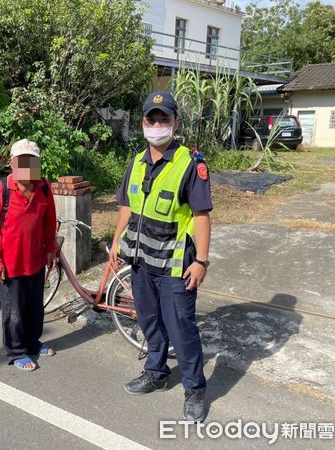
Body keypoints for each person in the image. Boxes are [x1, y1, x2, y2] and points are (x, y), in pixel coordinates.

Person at [109, 92, 212, 422]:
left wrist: (202, 261)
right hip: (140, 263)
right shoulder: (137, 162)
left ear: (175, 123)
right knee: (150, 322)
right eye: (151, 120)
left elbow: (201, 215)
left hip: (175, 266)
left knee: (181, 327)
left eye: (163, 119)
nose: (157, 125)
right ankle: (156, 373)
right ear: (142, 123)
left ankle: (195, 387)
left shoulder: (190, 164)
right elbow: (127, 206)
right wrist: (116, 245)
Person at [0, 139, 58, 371]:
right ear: (11, 163)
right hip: (11, 264)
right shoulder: (2, 190)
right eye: (22, 162)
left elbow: (49, 222)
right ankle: (16, 351)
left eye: (32, 162)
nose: (27, 167)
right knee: (14, 312)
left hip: (36, 261)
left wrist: (50, 250)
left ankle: (32, 343)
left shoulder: (44, 187)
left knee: (35, 308)